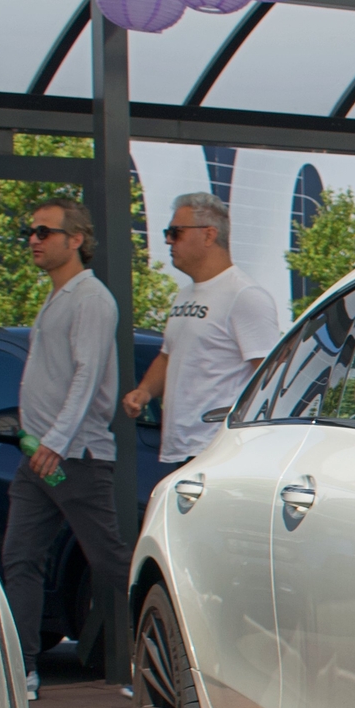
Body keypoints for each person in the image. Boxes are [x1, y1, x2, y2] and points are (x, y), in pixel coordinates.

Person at [0, 198, 131, 701]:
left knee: (111, 563)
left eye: (44, 231)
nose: (33, 239)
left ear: (75, 240)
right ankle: (24, 669)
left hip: (74, 458)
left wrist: (55, 442)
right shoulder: (57, 298)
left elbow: (87, 375)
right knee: (20, 559)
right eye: (30, 231)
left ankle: (185, 647)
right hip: (40, 462)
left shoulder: (91, 300)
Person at [122, 192, 284, 487]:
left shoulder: (245, 295)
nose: (169, 241)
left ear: (209, 235)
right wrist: (144, 392)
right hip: (180, 449)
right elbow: (168, 356)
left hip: (217, 452)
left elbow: (270, 376)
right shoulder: (184, 295)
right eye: (168, 233)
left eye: (176, 232)